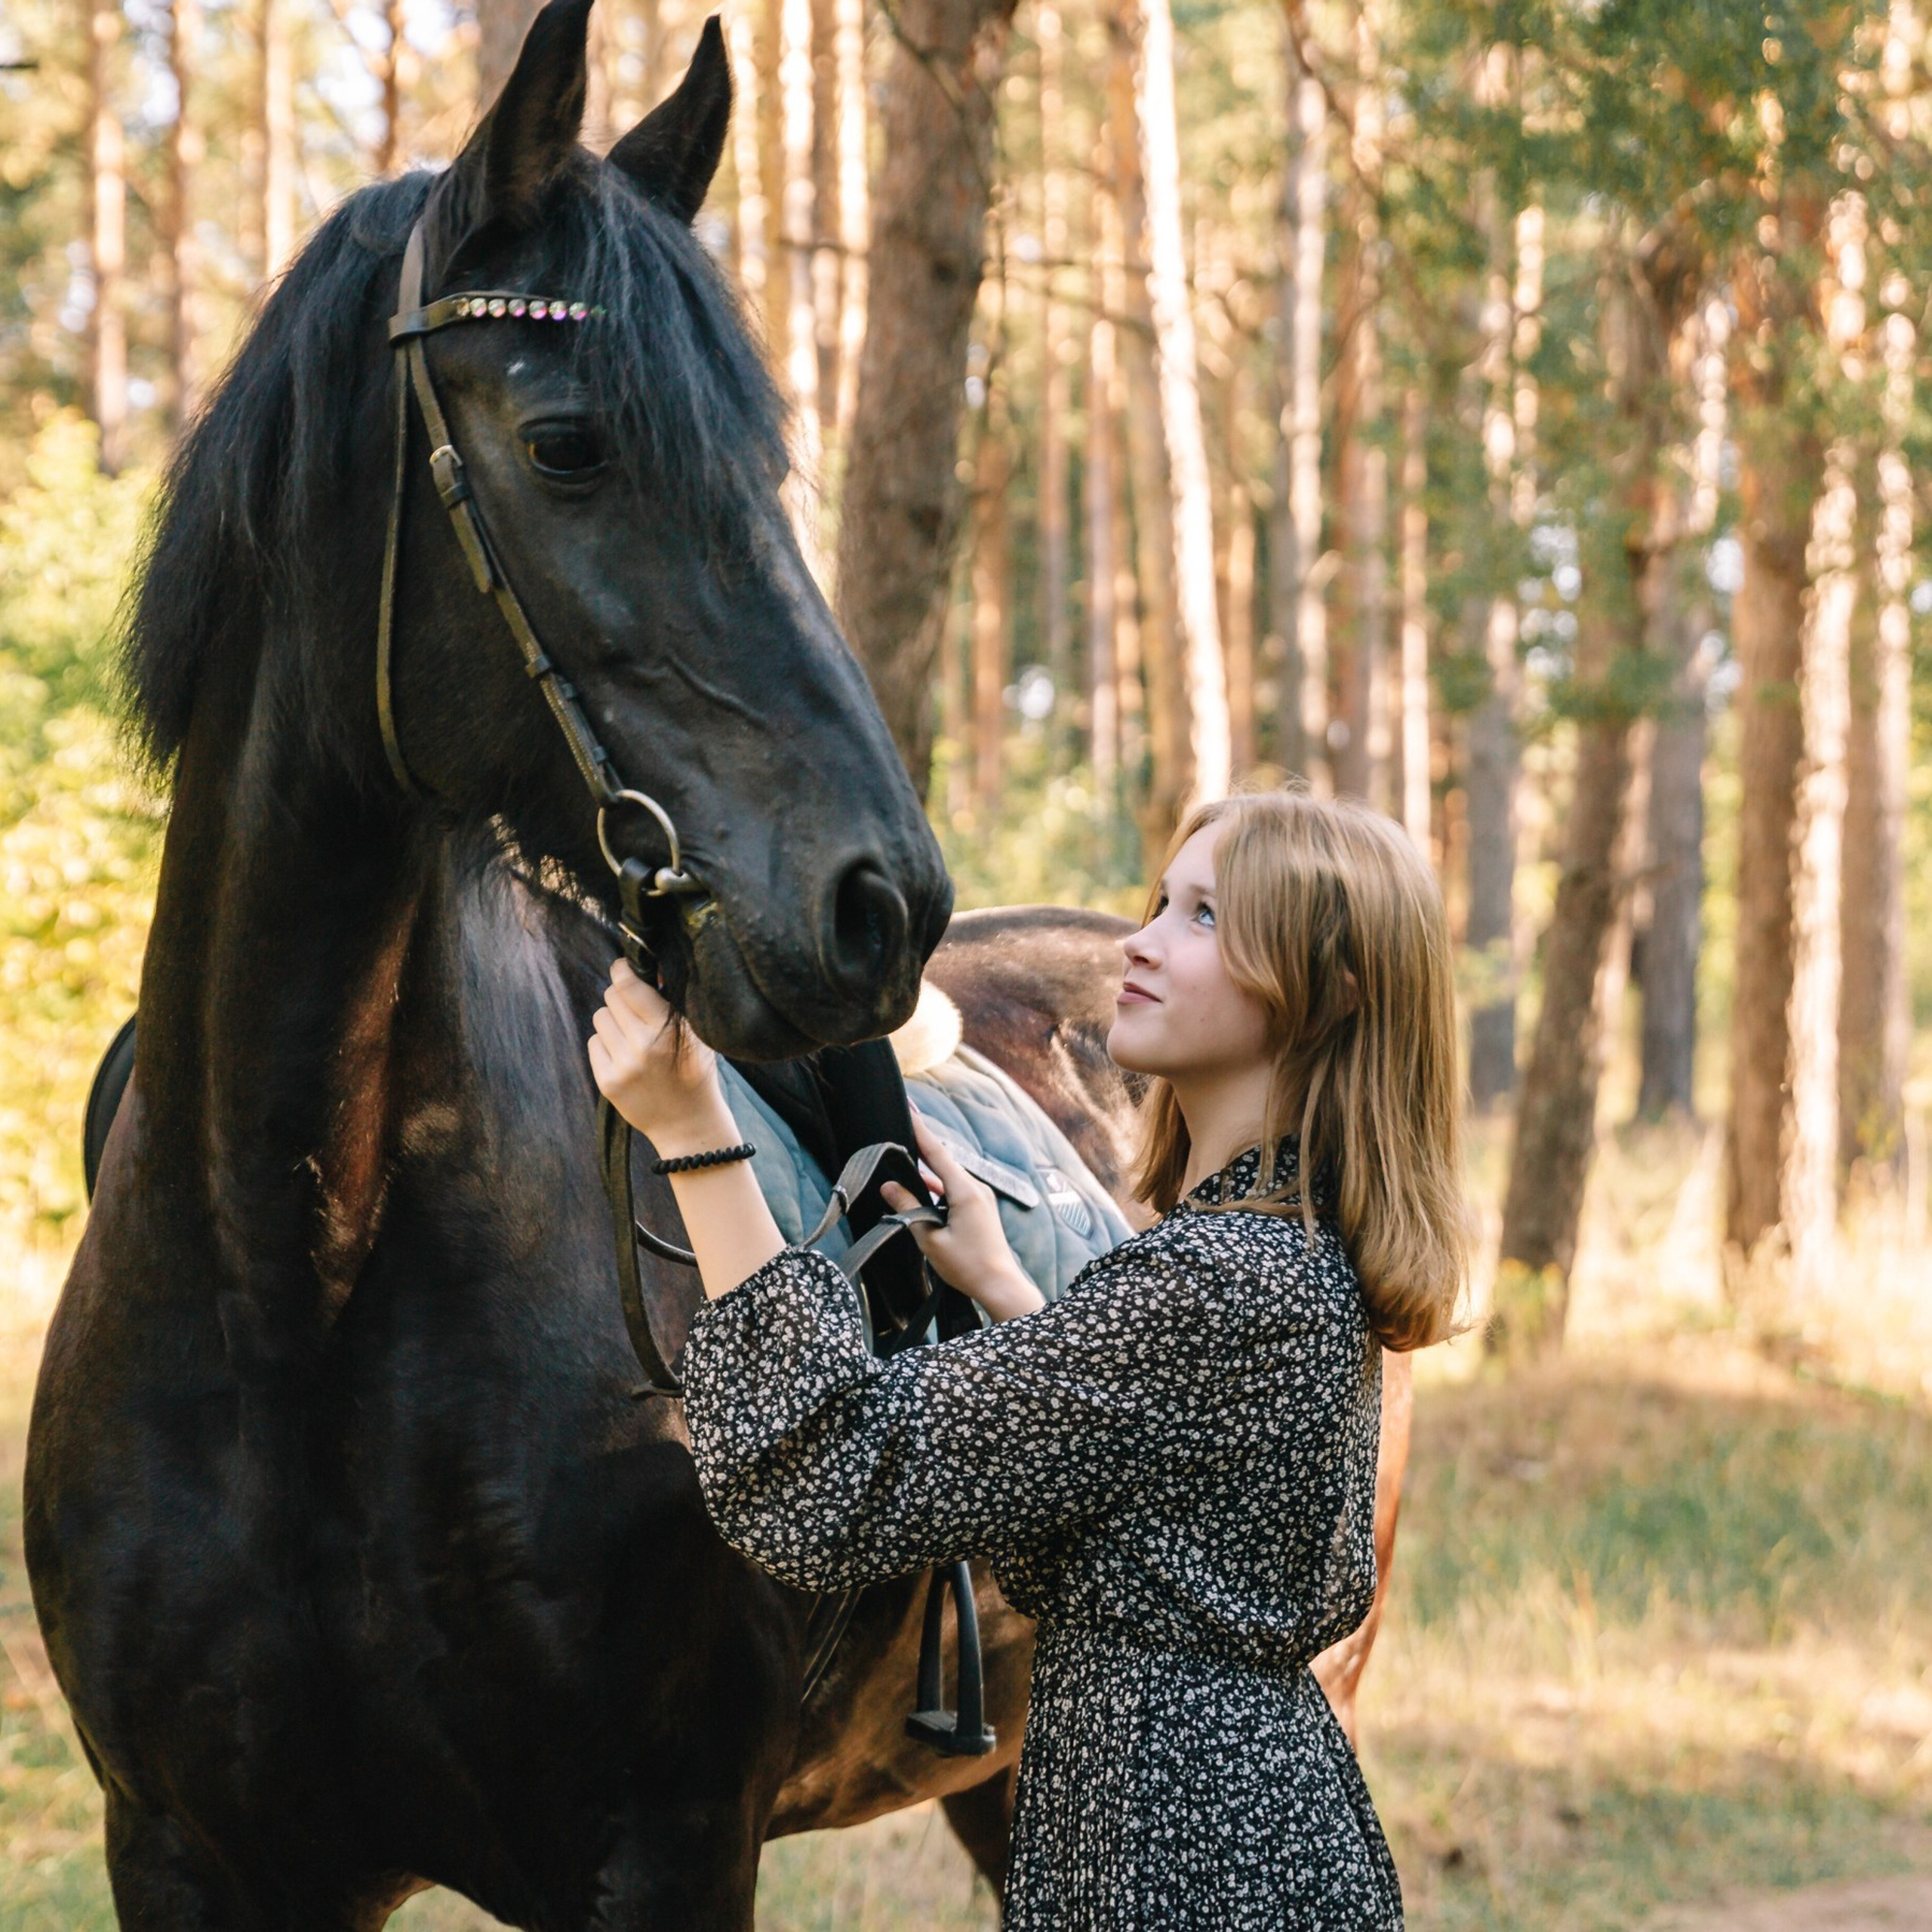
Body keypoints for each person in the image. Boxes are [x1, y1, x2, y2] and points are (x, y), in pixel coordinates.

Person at [589, 786, 1469, 1930]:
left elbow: (825, 1483)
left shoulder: (1219, 1286)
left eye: (1206, 918)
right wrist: (1004, 1282)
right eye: (1161, 903)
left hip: (1182, 1869)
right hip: (1223, 1839)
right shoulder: (1272, 1256)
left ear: (1331, 992)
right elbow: (1126, 1487)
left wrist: (696, 1134)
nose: (1141, 943)